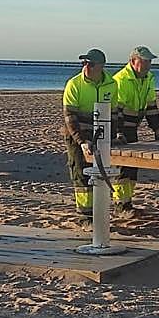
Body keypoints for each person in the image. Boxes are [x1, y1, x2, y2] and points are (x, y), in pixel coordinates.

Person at [62, 48, 118, 219]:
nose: (86, 66)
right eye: (84, 63)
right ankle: (85, 215)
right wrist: (81, 141)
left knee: (102, 171)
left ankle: (100, 210)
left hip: (101, 134)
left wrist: (115, 135)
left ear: (100, 66)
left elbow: (114, 113)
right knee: (80, 170)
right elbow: (69, 116)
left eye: (90, 64)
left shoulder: (112, 84)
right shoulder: (74, 84)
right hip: (77, 133)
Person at [111, 45, 159, 218]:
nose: (148, 64)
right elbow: (116, 110)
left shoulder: (148, 78)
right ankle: (120, 204)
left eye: (150, 61)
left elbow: (151, 106)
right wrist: (119, 133)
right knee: (122, 166)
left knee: (132, 167)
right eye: (145, 61)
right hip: (121, 126)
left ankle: (127, 202)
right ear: (133, 62)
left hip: (134, 126)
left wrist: (157, 131)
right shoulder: (121, 80)